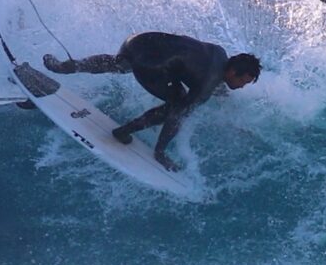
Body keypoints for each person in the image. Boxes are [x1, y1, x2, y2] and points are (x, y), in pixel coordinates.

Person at [43, 32, 261, 172]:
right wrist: (160, 151)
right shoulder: (206, 85)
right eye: (243, 81)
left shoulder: (220, 53)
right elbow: (177, 115)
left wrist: (220, 92)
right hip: (150, 66)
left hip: (137, 41)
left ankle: (63, 67)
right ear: (232, 72)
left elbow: (205, 72)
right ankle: (124, 131)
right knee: (176, 104)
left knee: (117, 64)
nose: (243, 86)